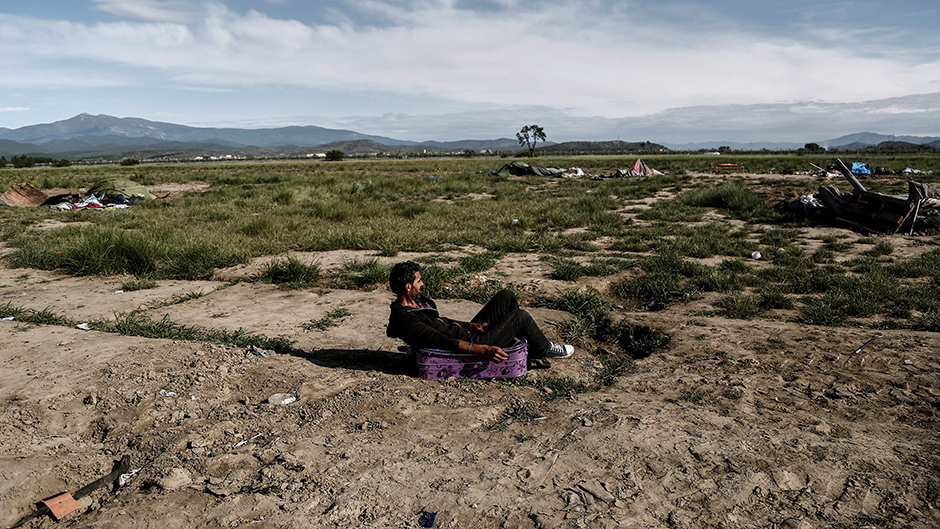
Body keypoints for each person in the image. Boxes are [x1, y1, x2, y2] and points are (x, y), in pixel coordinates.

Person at [386, 260, 574, 364]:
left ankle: (517, 343)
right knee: (521, 317)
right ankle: (543, 349)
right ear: (408, 286)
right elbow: (444, 342)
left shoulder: (418, 302)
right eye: (419, 281)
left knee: (506, 297)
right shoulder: (406, 319)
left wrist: (470, 324)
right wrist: (484, 349)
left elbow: (440, 321)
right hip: (471, 345)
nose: (423, 283)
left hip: (469, 333)